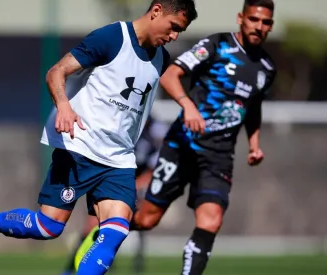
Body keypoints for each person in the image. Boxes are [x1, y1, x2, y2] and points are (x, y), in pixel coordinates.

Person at [0, 1, 198, 274]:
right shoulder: (112, 38)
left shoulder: (162, 59)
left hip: (120, 158)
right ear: (156, 10)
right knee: (47, 226)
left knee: (114, 233)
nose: (174, 37)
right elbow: (56, 72)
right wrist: (64, 106)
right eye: (173, 27)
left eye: (179, 32)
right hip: (80, 144)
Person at [75, 0, 277, 274]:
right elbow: (171, 74)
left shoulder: (266, 68)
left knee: (211, 221)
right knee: (146, 220)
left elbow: (252, 109)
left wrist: (254, 144)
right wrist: (189, 106)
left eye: (266, 22)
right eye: (254, 19)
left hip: (218, 157)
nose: (259, 26)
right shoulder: (217, 45)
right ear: (241, 18)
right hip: (182, 146)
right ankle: (102, 236)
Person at [60, 116, 169, 275]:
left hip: (139, 185)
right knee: (92, 224)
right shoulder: (118, 122)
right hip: (115, 181)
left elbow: (154, 170)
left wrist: (136, 186)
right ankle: (71, 269)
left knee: (140, 221)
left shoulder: (155, 131)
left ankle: (137, 266)